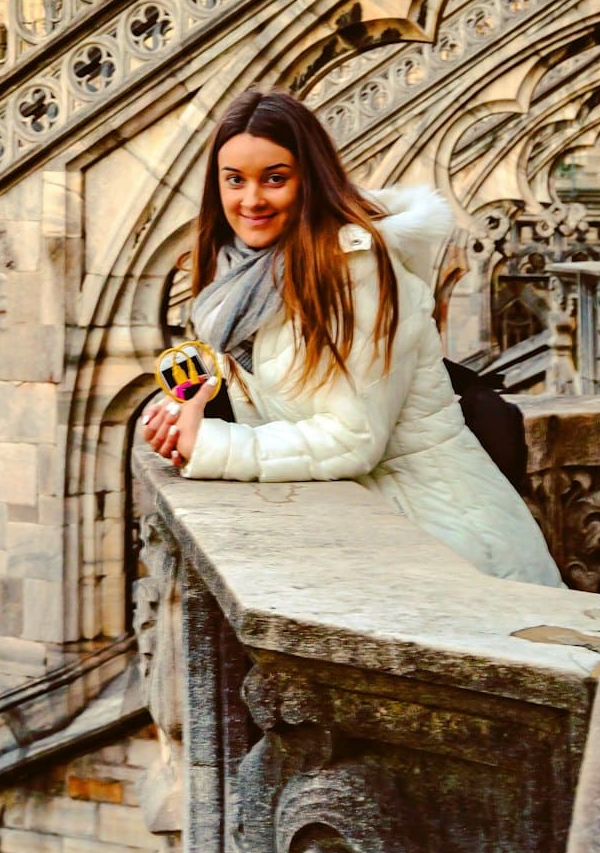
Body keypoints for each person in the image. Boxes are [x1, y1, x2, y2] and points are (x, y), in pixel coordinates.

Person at [142, 87, 562, 587]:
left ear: (310, 181)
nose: (250, 199)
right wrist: (183, 415)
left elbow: (352, 437)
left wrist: (211, 445)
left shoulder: (356, 271)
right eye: (234, 180)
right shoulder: (241, 279)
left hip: (444, 542)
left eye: (275, 179)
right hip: (372, 542)